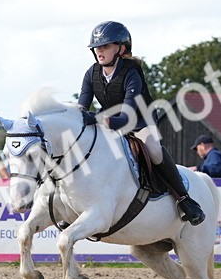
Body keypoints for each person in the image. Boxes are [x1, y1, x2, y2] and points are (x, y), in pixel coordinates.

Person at [77, 21, 205, 225]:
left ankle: (184, 199)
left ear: (121, 48)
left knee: (153, 149)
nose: (99, 51)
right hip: (108, 120)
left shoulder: (131, 72)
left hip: (139, 122)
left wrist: (98, 119)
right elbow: (82, 107)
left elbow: (127, 117)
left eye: (105, 46)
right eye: (97, 47)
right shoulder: (91, 73)